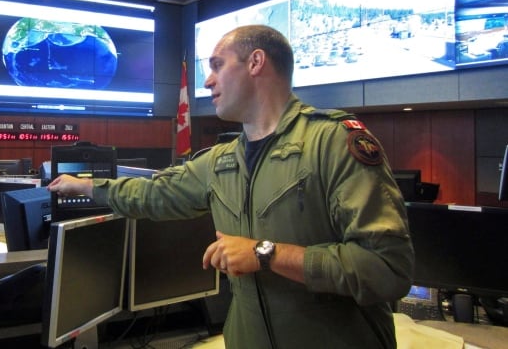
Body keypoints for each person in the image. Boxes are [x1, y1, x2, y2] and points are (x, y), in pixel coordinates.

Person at [48, 25, 414, 349]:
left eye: (218, 65)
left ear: (255, 63)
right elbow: (153, 194)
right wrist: (86, 186)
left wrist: (266, 254)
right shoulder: (220, 160)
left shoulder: (332, 142)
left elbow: (386, 269)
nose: (207, 81)